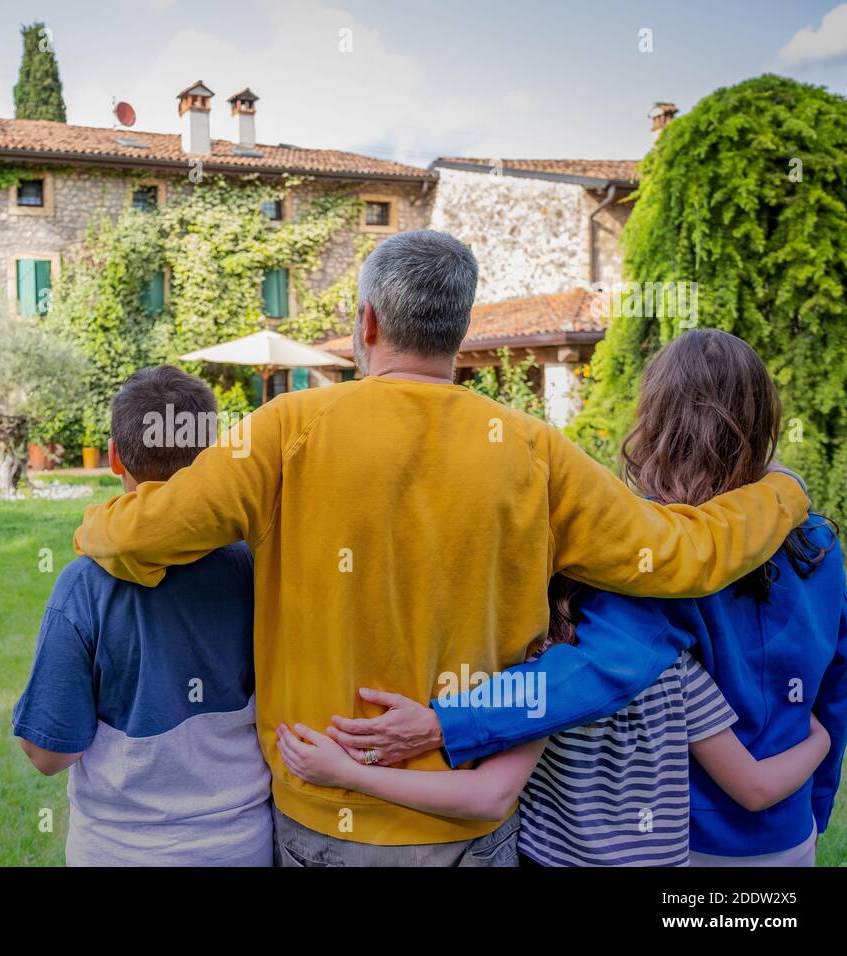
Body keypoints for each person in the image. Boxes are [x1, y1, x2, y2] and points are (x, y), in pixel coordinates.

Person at [73, 231, 810, 866]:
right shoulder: (532, 449)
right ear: (458, 333)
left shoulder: (285, 428)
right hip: (474, 809)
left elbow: (146, 535)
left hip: (329, 804)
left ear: (367, 322)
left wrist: (91, 529)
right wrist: (782, 493)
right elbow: (681, 556)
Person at [327, 330, 845, 867]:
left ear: (656, 420)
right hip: (788, 829)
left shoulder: (656, 548)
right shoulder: (820, 545)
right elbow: (833, 687)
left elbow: (594, 671)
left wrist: (446, 722)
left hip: (694, 836)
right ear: (763, 419)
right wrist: (818, 803)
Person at [277, 573, 833, 866]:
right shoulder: (676, 666)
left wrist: (348, 775)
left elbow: (488, 797)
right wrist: (821, 738)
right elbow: (754, 788)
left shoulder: (543, 682)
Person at [12, 366, 270, 866]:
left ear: (113, 456)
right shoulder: (257, 563)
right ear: (212, 456)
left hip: (119, 849)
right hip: (242, 843)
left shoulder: (83, 586)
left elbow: (50, 754)